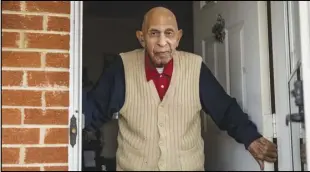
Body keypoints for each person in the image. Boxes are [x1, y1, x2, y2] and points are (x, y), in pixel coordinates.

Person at [83, 6, 278, 171]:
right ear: (141, 38)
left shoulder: (195, 68)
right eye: (154, 33)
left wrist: (250, 138)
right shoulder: (121, 68)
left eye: (169, 33)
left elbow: (224, 109)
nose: (162, 42)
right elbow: (91, 112)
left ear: (178, 37)